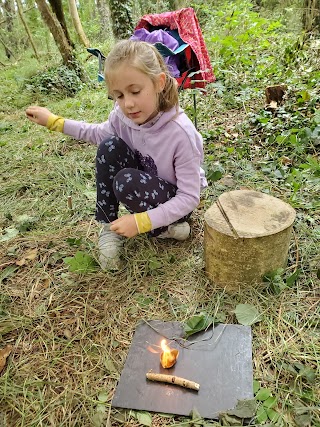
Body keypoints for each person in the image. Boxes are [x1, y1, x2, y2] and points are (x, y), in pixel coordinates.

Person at [26, 40, 207, 270]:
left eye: (135, 91)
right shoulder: (122, 117)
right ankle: (109, 227)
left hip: (174, 200)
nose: (128, 104)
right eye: (119, 96)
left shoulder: (180, 133)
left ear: (159, 82)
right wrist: (54, 122)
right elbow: (96, 134)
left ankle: (168, 226)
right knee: (109, 147)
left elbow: (189, 197)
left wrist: (142, 221)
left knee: (126, 182)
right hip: (140, 187)